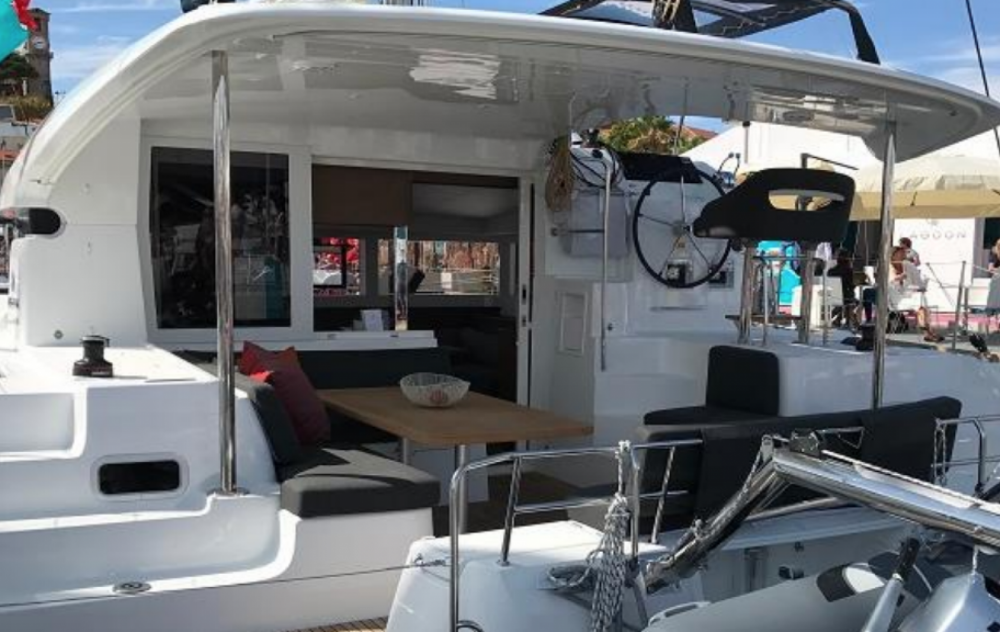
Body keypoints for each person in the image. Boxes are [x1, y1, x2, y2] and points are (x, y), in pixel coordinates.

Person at [888, 245, 942, 342]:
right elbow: (886, 284)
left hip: (910, 297)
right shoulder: (887, 267)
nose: (904, 255)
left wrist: (918, 288)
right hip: (896, 299)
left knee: (921, 304)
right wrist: (896, 279)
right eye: (901, 253)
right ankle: (928, 332)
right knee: (921, 304)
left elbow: (919, 283)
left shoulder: (908, 265)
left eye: (904, 253)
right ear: (893, 255)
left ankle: (928, 333)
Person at [827, 248, 859, 329]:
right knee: (854, 300)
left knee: (848, 299)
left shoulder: (831, 271)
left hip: (832, 295)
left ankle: (838, 318)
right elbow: (851, 285)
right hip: (845, 296)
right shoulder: (848, 271)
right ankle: (848, 321)